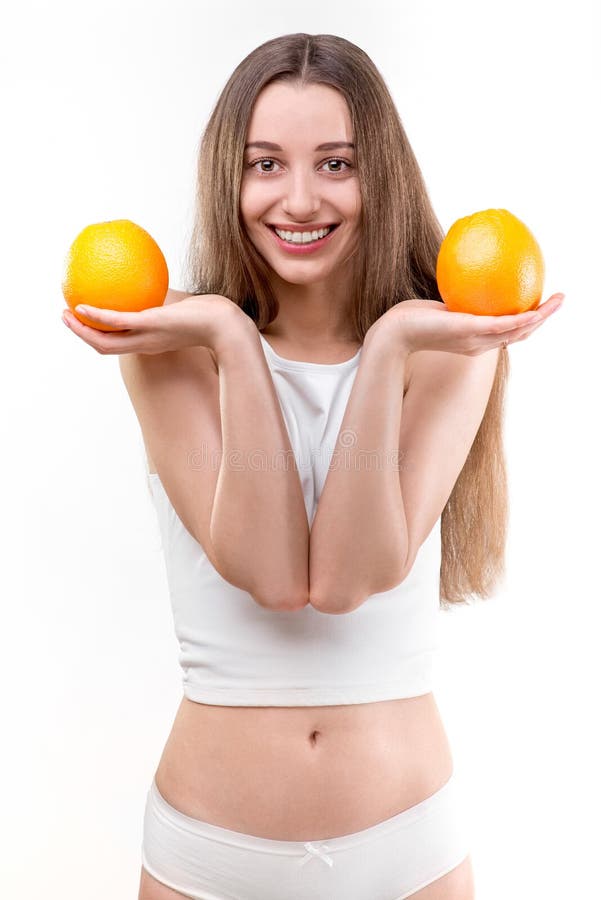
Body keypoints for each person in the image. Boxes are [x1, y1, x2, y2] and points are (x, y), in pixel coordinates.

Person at [62, 32, 562, 900]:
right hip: (206, 855)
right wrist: (225, 332)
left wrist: (393, 342)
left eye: (336, 163)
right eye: (265, 164)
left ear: (382, 178)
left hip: (408, 851)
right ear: (230, 176)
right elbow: (269, 573)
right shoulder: (168, 345)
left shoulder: (449, 341)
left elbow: (345, 577)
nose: (298, 198)